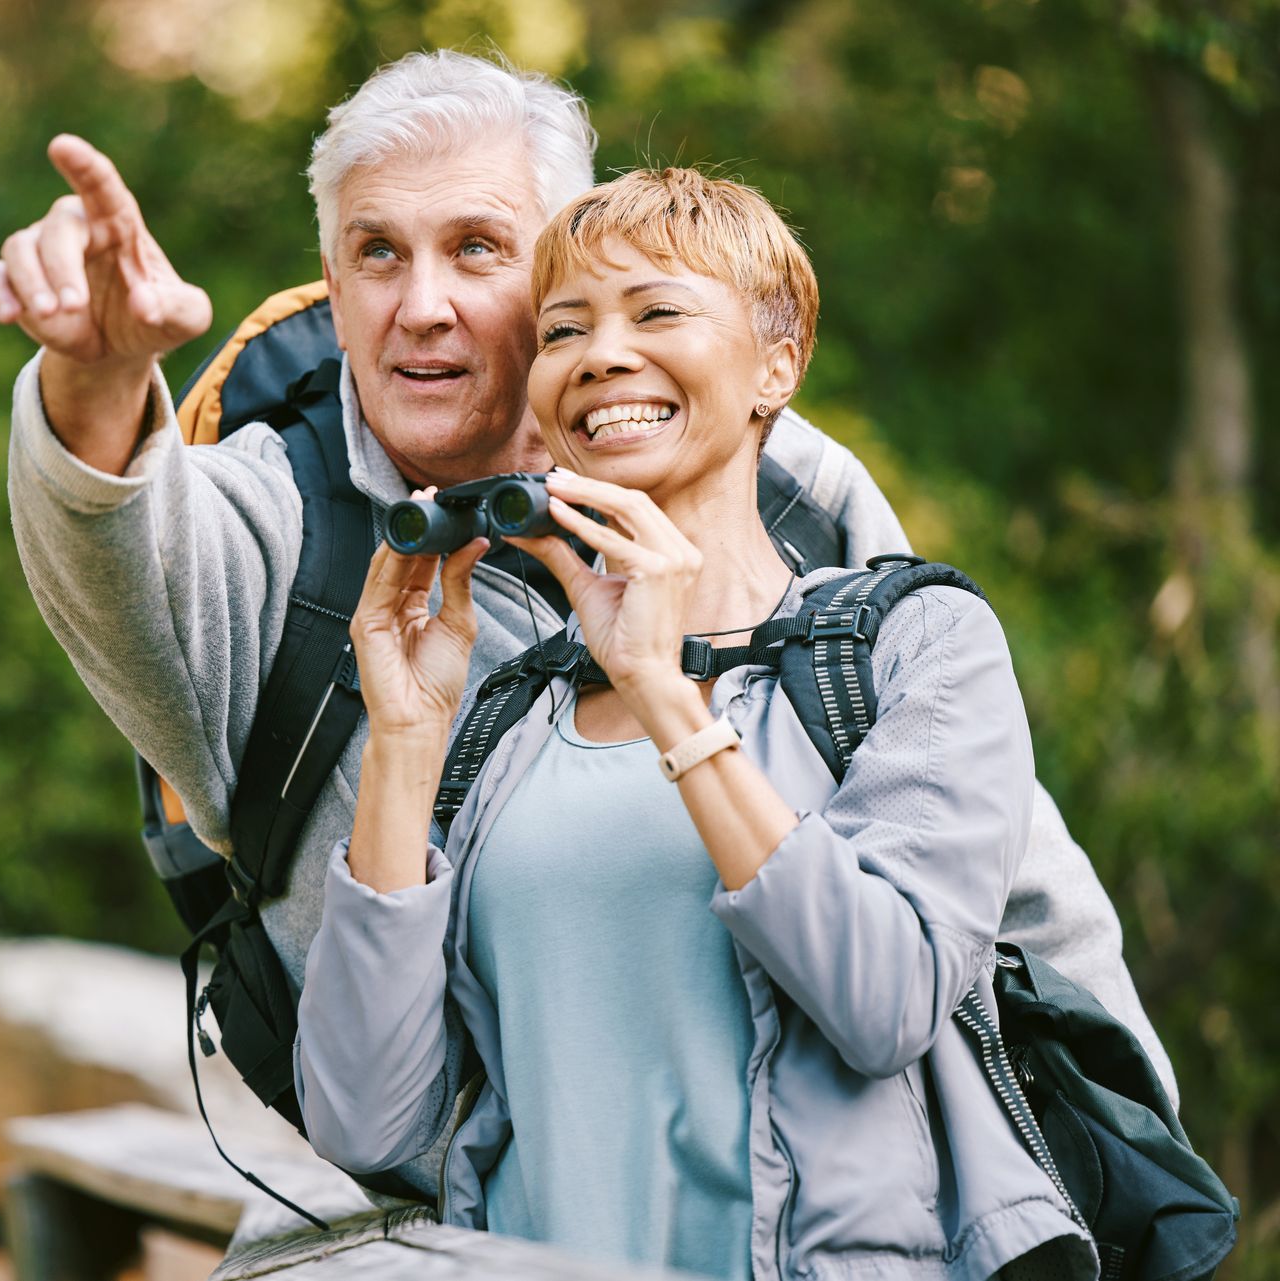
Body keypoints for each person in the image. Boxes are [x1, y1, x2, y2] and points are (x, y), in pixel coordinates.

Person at [0, 50, 1173, 1189]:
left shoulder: (782, 484)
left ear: (559, 262)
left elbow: (990, 851)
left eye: (479, 248)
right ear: (332, 288)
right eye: (377, 254)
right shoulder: (271, 536)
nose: (423, 305)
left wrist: (1126, 1147)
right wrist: (93, 373)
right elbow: (114, 541)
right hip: (482, 1227)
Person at [296, 166, 1093, 1279]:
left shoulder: (916, 646)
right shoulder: (513, 719)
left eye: (659, 311)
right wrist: (407, 735)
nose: (602, 354)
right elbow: (363, 1121)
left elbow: (887, 1000)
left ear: (779, 365)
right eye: (564, 329)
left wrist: (667, 692)